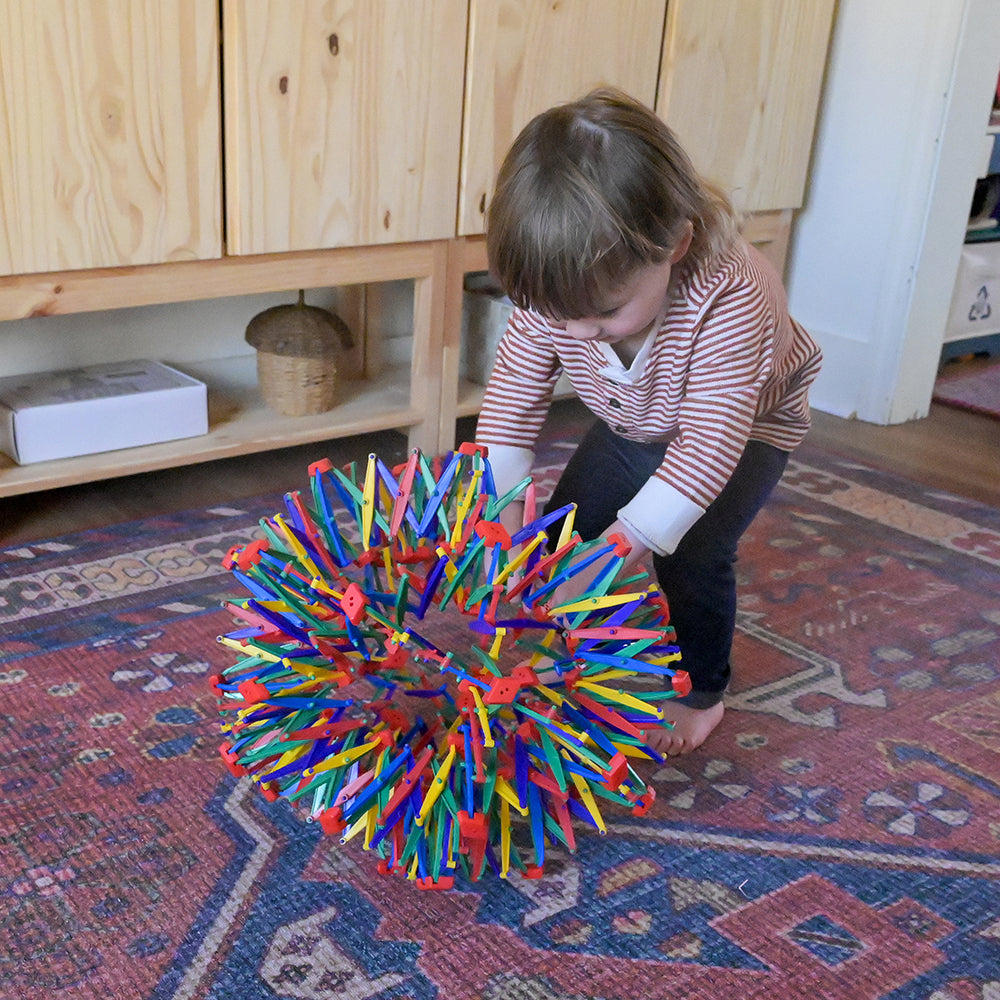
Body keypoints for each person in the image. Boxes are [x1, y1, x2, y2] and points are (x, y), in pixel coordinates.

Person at [473, 87, 822, 756]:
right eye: (556, 316)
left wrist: (619, 550)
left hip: (743, 429)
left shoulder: (734, 292)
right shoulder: (559, 298)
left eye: (601, 315)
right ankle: (578, 650)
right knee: (561, 532)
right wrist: (504, 514)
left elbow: (708, 446)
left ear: (676, 242)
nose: (575, 331)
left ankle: (701, 692)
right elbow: (513, 402)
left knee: (690, 550)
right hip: (636, 418)